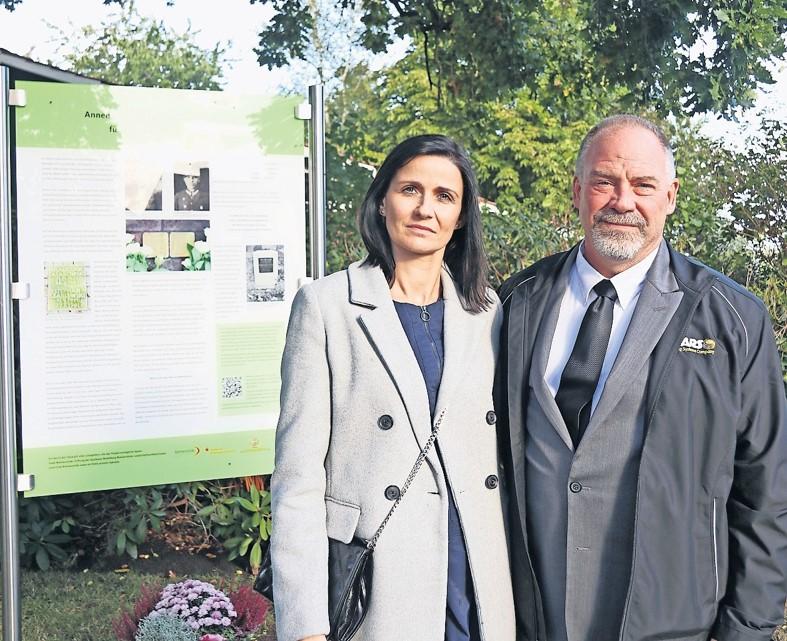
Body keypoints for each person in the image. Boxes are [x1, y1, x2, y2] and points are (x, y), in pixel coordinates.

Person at [496, 114, 787, 641]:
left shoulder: (734, 318)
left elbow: (767, 493)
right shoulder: (517, 304)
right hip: (531, 621)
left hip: (674, 625)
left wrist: (746, 631)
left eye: (643, 185)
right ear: (578, 191)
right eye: (605, 182)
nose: (622, 201)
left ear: (670, 196)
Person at [271, 135, 516, 641]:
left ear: (463, 216)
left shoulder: (487, 312)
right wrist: (305, 625)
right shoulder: (325, 307)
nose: (426, 209)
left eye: (445, 196)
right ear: (383, 199)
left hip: (474, 570)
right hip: (381, 579)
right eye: (410, 190)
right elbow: (298, 479)